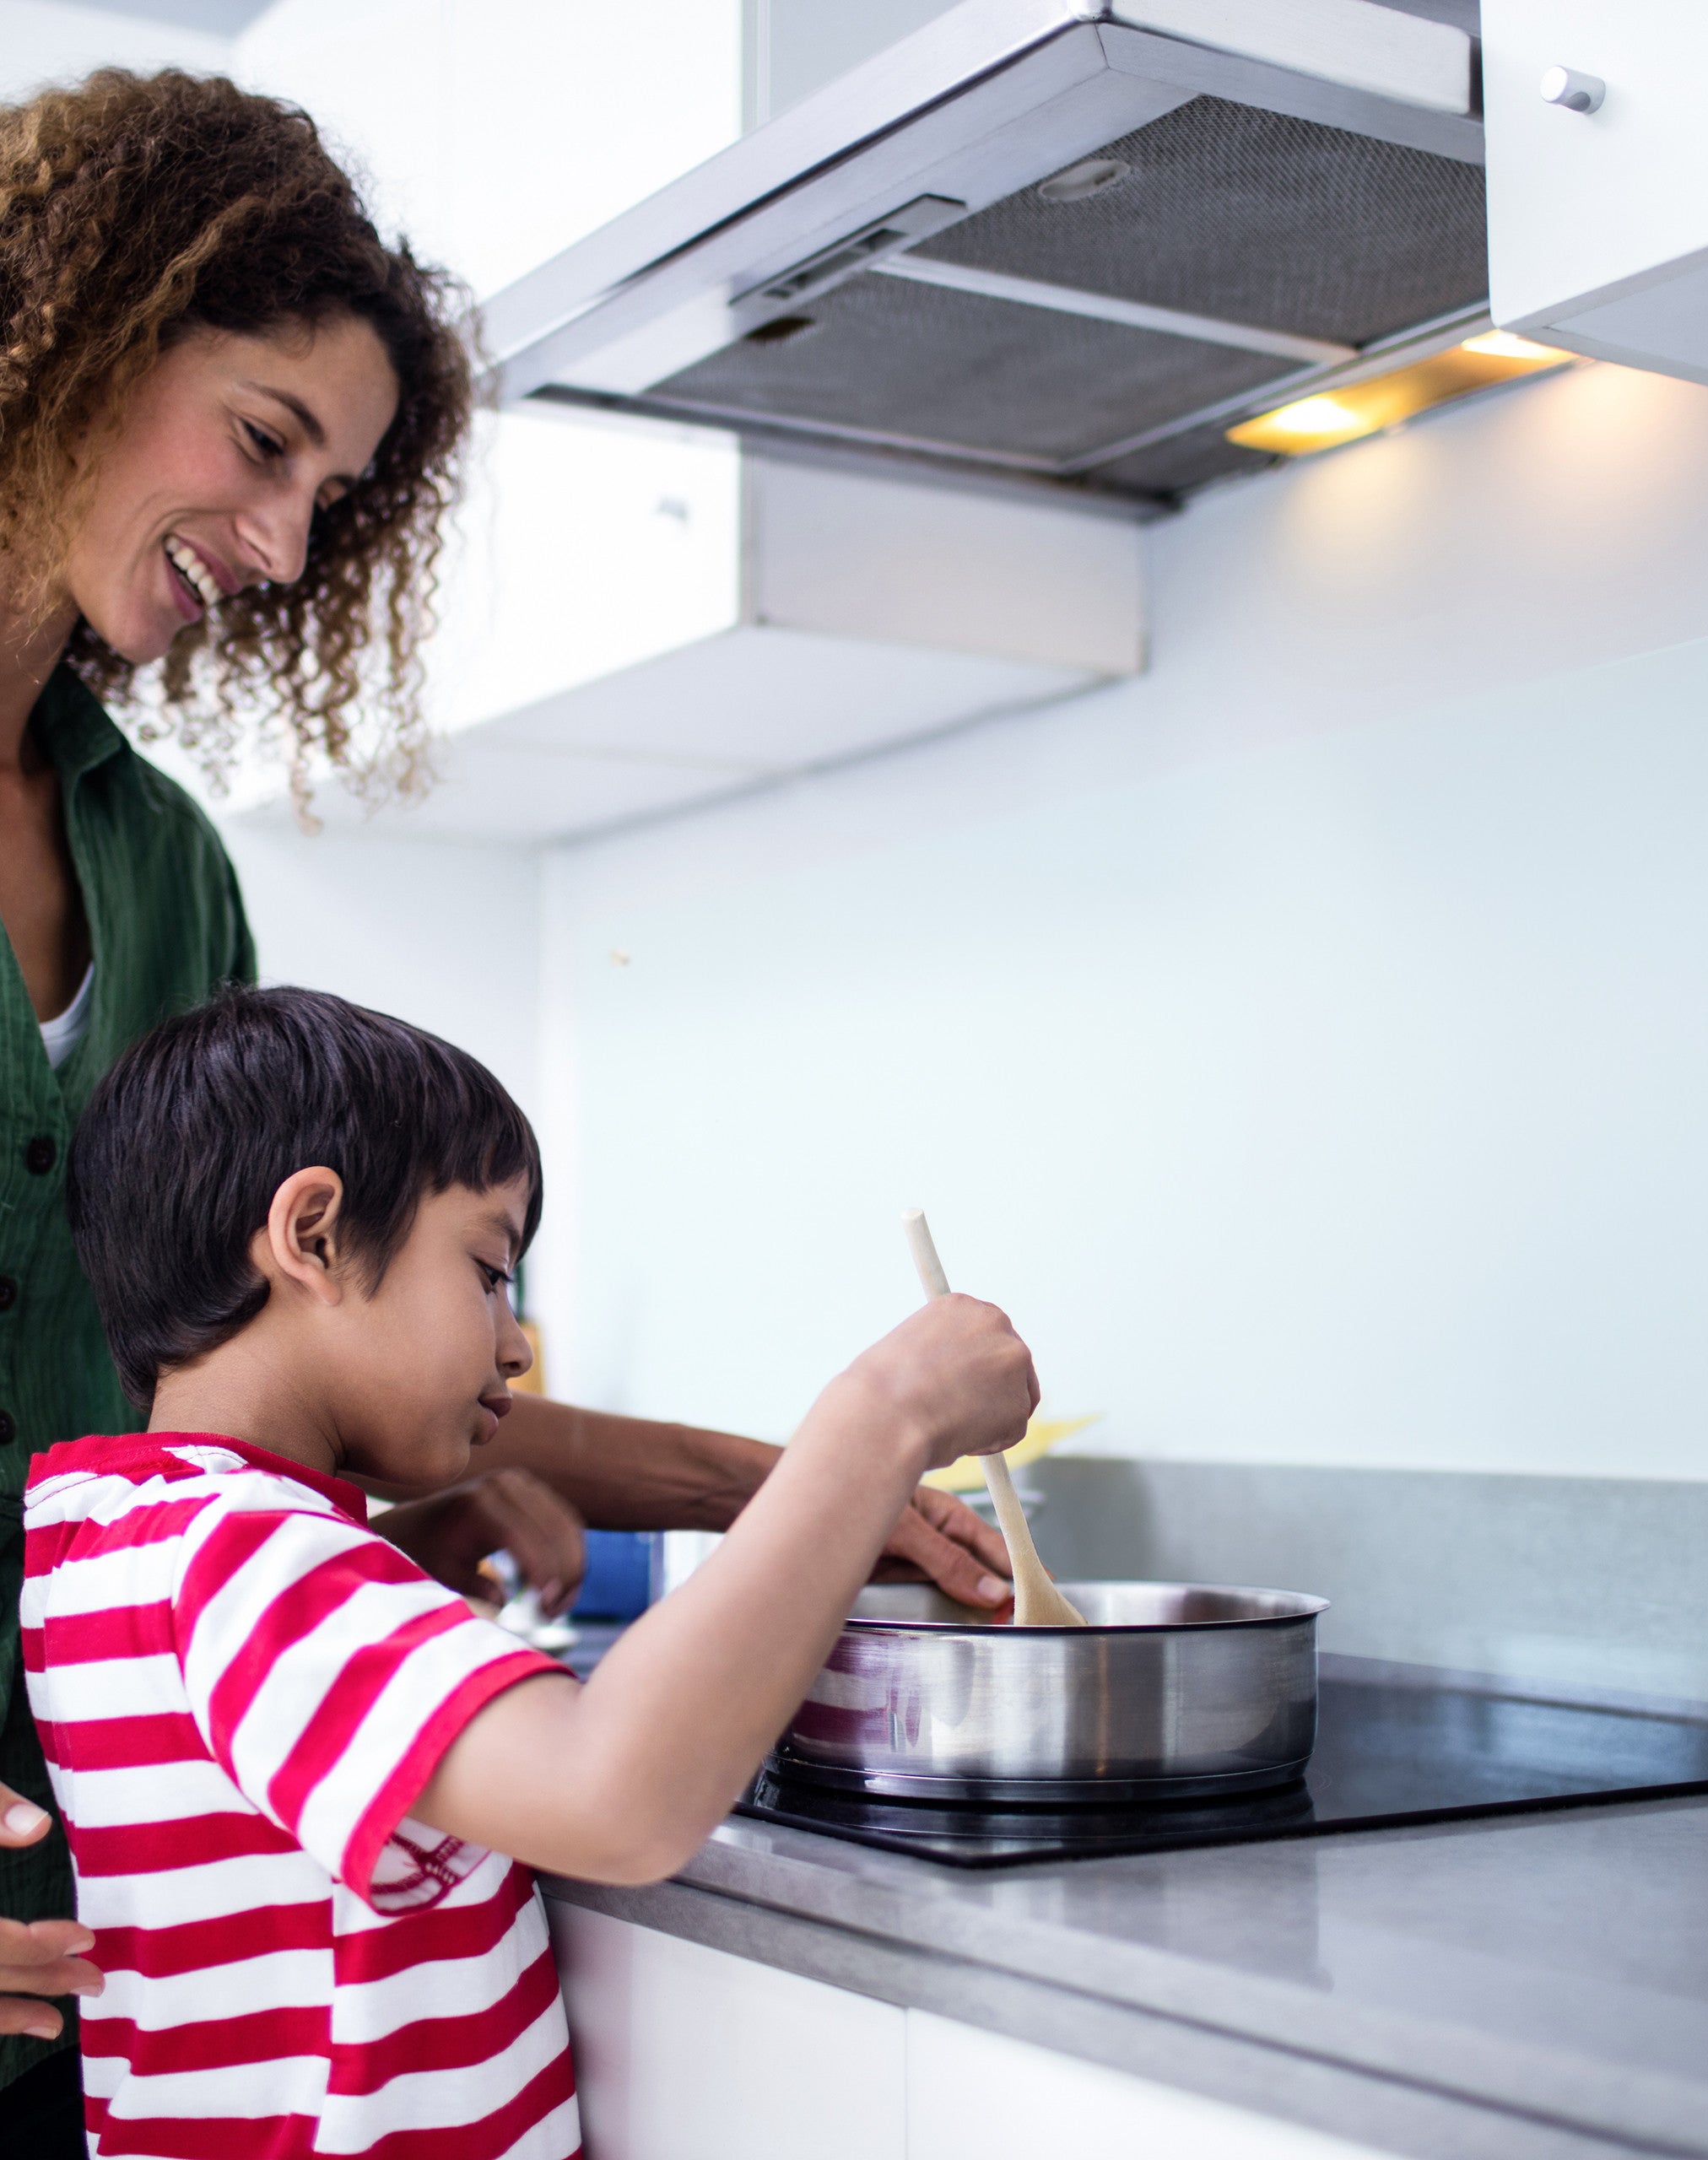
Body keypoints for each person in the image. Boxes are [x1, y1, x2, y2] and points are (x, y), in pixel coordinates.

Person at [0, 68, 1013, 2145]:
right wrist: (858, 1438)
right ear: (78, 334)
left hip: (90, 1928)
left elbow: (246, 1355)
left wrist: (790, 1492)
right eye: (264, 440)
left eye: (333, 493)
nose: (288, 544)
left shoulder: (162, 863)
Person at [25, 985, 1036, 2158]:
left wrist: (392, 1556)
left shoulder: (107, 1529)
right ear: (313, 1235)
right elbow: (615, 1799)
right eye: (488, 1270)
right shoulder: (247, 1556)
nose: (512, 1343)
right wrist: (880, 1417)